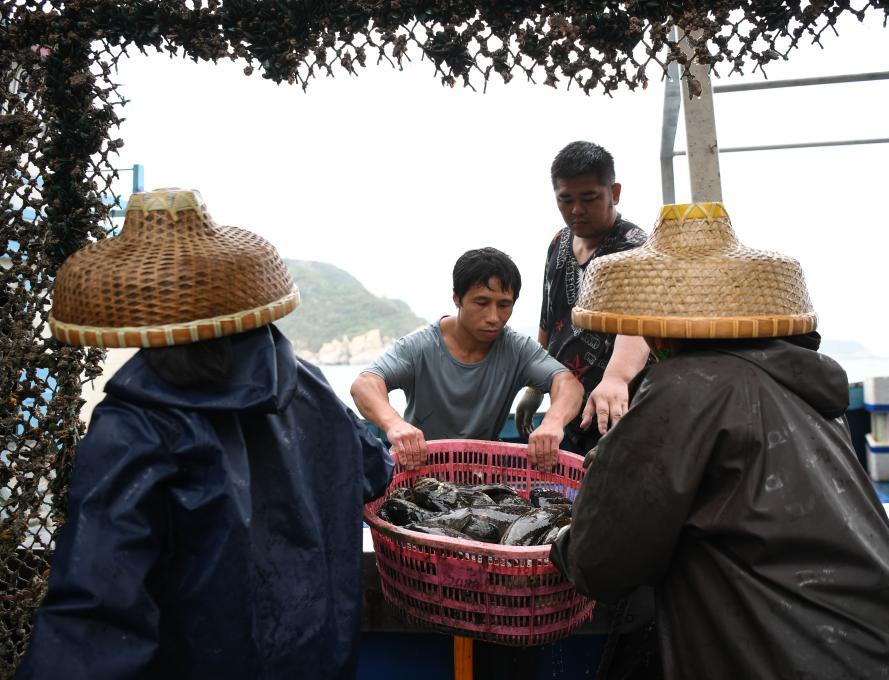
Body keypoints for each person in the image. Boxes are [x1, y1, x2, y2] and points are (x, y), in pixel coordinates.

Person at [552, 202, 889, 679]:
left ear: (657, 327)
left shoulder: (684, 387)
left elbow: (601, 563)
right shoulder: (807, 390)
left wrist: (561, 540)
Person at [18, 188, 394, 679]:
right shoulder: (310, 386)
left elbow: (93, 617)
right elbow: (374, 469)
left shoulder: (134, 425)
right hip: (318, 658)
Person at [351, 246, 583, 470]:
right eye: (481, 303)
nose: (493, 317)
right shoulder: (419, 347)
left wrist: (553, 422)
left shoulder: (517, 348)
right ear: (457, 298)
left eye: (504, 305)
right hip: (418, 469)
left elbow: (567, 383)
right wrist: (395, 425)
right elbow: (365, 384)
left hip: (482, 474)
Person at [515, 140, 651, 455]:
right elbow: (548, 319)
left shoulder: (636, 249)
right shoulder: (558, 242)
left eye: (589, 198)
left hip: (618, 406)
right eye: (565, 199)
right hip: (566, 401)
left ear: (614, 193)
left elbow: (639, 325)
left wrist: (618, 377)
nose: (576, 210)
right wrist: (535, 385)